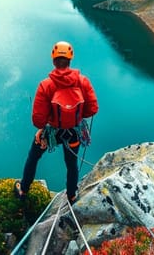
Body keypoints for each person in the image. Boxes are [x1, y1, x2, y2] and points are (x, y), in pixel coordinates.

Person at [14, 41, 98, 203]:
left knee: (33, 157)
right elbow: (93, 109)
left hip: (51, 133)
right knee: (71, 163)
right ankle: (72, 194)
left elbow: (38, 120)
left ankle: (23, 190)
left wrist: (46, 126)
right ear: (70, 60)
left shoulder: (46, 85)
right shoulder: (83, 82)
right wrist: (76, 117)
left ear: (53, 60)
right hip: (74, 132)